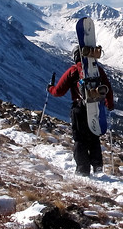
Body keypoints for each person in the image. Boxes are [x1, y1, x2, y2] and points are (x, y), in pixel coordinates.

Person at [48, 46, 114, 176]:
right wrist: (109, 104)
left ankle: (82, 169)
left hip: (79, 108)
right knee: (94, 135)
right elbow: (108, 88)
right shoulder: (97, 70)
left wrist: (50, 88)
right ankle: (98, 167)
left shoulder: (74, 70)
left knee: (80, 138)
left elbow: (59, 91)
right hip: (95, 107)